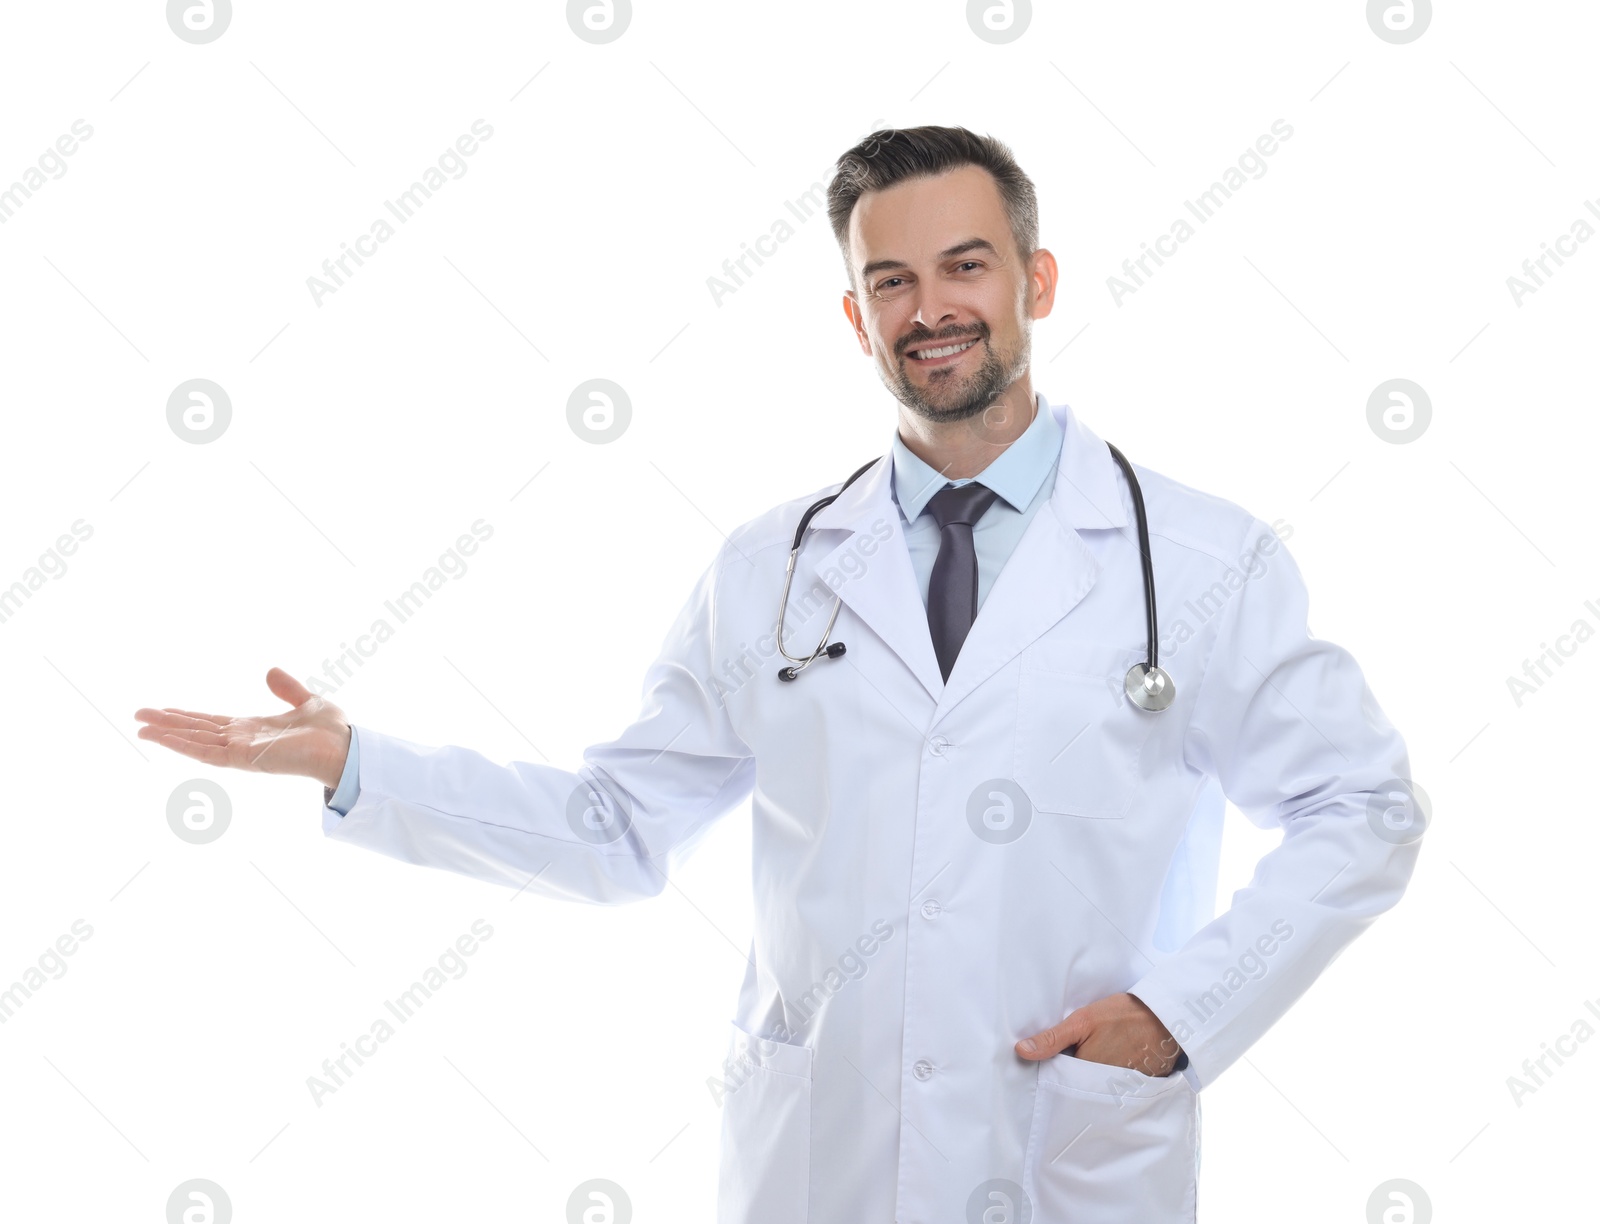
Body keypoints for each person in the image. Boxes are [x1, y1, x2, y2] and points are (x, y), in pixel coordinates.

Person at [135, 125, 1421, 1224]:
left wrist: (1175, 1012)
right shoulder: (770, 570)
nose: (933, 310)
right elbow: (616, 831)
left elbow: (1362, 811)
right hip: (821, 1166)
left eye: (966, 266)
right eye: (893, 280)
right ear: (855, 316)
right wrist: (358, 765)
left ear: (1035, 278)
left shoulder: (1197, 560)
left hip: (1066, 1158)